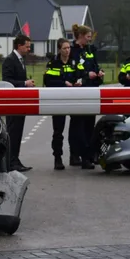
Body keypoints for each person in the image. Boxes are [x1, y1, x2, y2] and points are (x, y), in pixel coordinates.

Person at [69, 24, 104, 169]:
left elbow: (95, 65)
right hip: (79, 91)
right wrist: (85, 75)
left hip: (92, 90)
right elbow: (72, 70)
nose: (90, 40)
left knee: (90, 124)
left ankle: (88, 154)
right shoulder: (72, 51)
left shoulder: (90, 50)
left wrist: (99, 73)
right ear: (81, 36)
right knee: (77, 125)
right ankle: (77, 155)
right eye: (88, 37)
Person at [44, 38, 81, 170]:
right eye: (65, 48)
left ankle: (74, 155)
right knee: (58, 131)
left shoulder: (74, 62)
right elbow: (48, 81)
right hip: (59, 100)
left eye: (69, 48)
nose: (67, 50)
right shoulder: (53, 63)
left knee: (75, 129)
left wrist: (79, 81)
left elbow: (81, 74)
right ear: (59, 49)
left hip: (73, 99)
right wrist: (63, 83)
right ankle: (57, 158)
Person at [2, 34, 34, 172]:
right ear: (19, 46)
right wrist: (24, 83)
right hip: (13, 103)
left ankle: (15, 159)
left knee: (18, 133)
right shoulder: (10, 60)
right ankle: (10, 161)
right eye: (27, 46)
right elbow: (7, 81)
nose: (29, 49)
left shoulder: (20, 60)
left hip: (21, 103)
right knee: (13, 133)